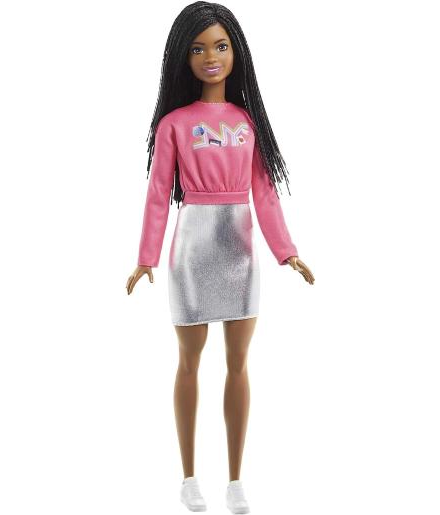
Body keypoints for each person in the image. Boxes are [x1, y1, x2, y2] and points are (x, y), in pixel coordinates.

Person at [126, 2, 315, 512]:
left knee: (238, 363)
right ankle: (188, 476)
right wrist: (146, 257)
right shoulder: (174, 124)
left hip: (241, 249)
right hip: (193, 248)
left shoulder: (247, 123)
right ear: (183, 57)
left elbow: (264, 193)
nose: (211, 57)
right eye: (198, 48)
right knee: (189, 362)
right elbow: (157, 194)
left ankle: (235, 480)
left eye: (221, 46)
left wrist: (287, 252)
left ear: (236, 53)